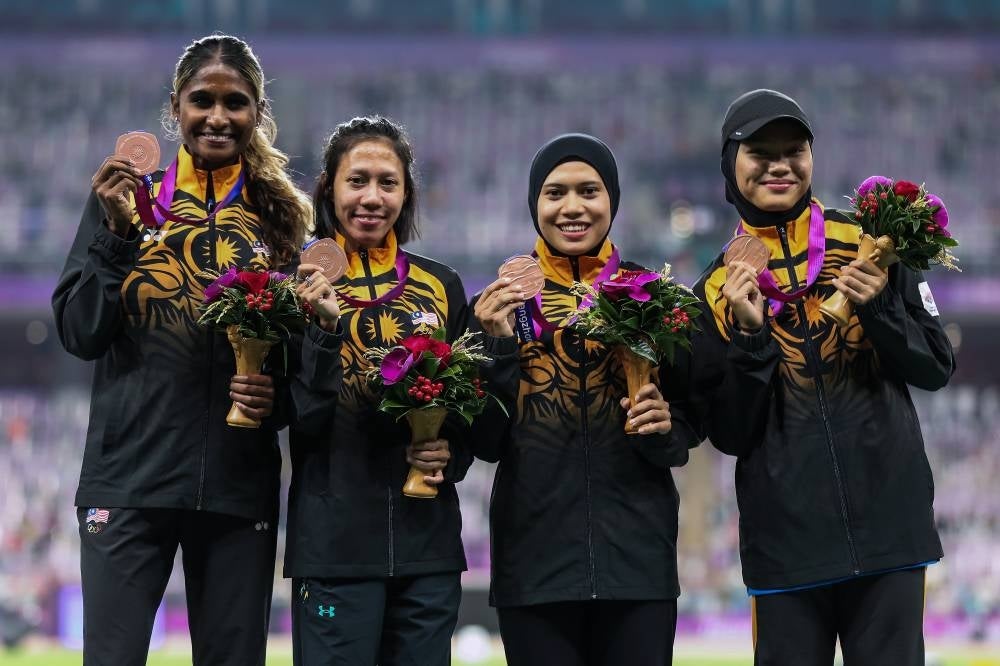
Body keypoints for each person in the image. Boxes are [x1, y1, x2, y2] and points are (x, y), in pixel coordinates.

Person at [51, 34, 312, 665]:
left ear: (256, 113)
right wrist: (116, 236)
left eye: (235, 102)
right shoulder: (125, 201)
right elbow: (80, 332)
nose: (218, 116)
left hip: (234, 487)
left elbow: (299, 363)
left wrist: (272, 396)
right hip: (128, 480)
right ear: (177, 106)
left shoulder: (279, 221)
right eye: (203, 99)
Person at [470, 133, 777, 666]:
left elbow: (702, 419)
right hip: (532, 569)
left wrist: (669, 427)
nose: (572, 207)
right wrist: (496, 348)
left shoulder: (660, 301)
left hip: (637, 565)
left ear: (611, 200)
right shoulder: (495, 307)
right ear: (533, 206)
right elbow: (484, 442)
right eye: (555, 193)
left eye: (588, 190)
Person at [695, 89, 956, 665]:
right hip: (786, 548)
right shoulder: (712, 291)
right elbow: (731, 434)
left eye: (794, 150)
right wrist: (749, 337)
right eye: (760, 153)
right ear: (729, 165)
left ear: (812, 157)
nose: (779, 165)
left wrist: (881, 309)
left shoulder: (872, 243)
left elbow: (936, 365)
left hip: (889, 527)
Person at [285, 115, 472, 666]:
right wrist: (322, 332)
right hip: (333, 553)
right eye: (356, 180)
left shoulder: (443, 286)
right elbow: (299, 421)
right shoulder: (291, 282)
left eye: (388, 182)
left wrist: (449, 452)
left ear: (406, 193)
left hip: (428, 554)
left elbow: (472, 420)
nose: (372, 197)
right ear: (328, 189)